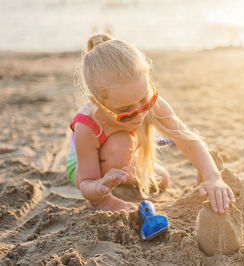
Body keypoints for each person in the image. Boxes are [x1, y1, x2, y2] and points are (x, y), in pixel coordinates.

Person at [65, 33, 235, 213]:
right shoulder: (88, 126)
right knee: (121, 144)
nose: (140, 113)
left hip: (122, 157)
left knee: (162, 180)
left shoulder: (151, 104)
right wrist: (99, 187)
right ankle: (101, 202)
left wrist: (212, 176)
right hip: (84, 168)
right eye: (125, 111)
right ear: (97, 103)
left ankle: (120, 166)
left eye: (145, 100)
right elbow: (86, 183)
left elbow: (186, 139)